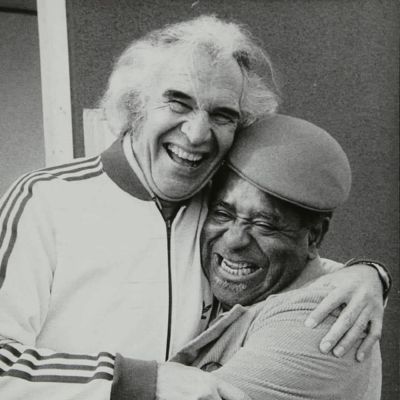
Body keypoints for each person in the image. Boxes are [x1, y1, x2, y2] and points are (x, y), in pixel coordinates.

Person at [0, 16, 389, 400]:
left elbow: (293, 258)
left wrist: (369, 275)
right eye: (177, 103)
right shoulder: (45, 201)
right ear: (135, 104)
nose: (197, 133)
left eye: (222, 115)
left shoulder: (214, 208)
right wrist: (138, 381)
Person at [164, 115, 381, 400]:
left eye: (264, 225)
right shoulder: (253, 282)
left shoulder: (326, 320)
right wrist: (373, 272)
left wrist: (120, 375)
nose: (234, 240)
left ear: (314, 236)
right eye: (223, 214)